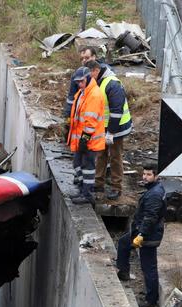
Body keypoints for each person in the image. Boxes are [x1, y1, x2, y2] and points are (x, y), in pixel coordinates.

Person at [116, 163, 165, 307]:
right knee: (124, 243)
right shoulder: (153, 190)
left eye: (149, 174)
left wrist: (142, 235)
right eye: (144, 174)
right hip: (143, 231)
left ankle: (151, 300)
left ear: (156, 176)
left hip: (149, 234)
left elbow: (150, 217)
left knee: (148, 266)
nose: (145, 177)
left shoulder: (155, 194)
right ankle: (123, 271)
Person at [68, 60, 106, 204]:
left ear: (88, 78)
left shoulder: (94, 95)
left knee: (88, 167)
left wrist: (84, 139)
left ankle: (87, 194)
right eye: (77, 82)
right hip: (82, 139)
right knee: (78, 164)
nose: (79, 84)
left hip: (90, 140)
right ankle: (82, 189)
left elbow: (91, 121)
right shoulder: (83, 92)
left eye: (81, 81)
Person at [94, 63, 132, 201]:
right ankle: (98, 184)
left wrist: (111, 133)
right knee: (101, 154)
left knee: (115, 157)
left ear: (96, 71)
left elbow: (116, 112)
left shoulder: (113, 85)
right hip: (103, 126)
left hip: (117, 128)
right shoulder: (98, 81)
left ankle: (117, 188)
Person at [63, 46, 103, 119]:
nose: (84, 60)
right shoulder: (77, 75)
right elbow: (72, 96)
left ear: (94, 57)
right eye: (82, 58)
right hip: (84, 114)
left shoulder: (103, 72)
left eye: (87, 58)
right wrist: (68, 115)